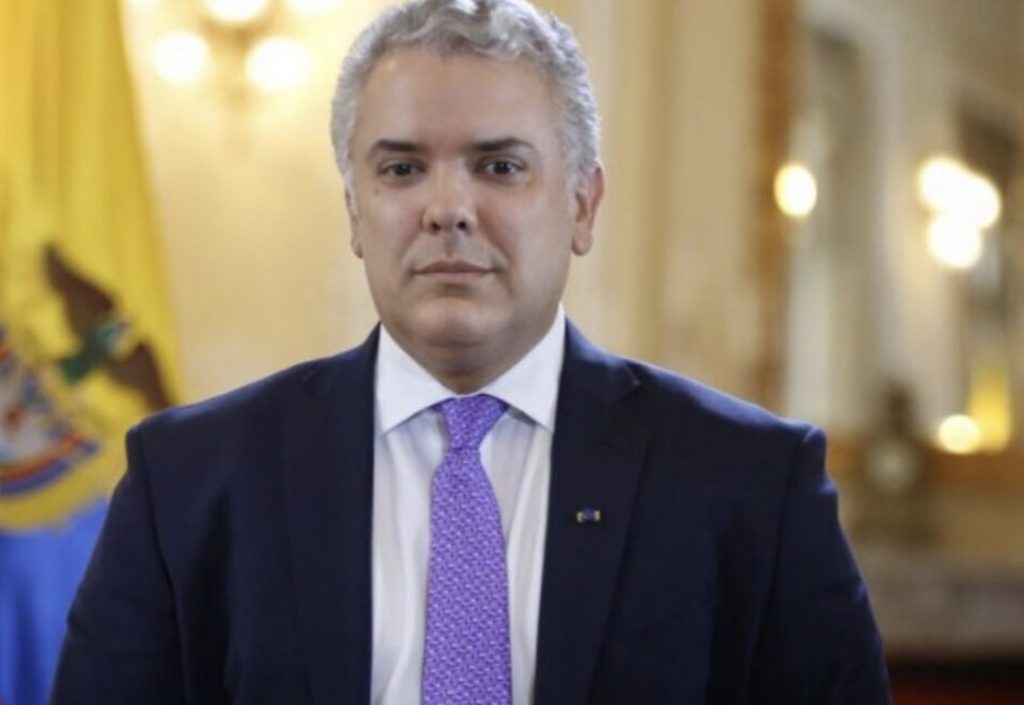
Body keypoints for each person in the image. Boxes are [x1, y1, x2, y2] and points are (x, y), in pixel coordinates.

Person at [50, 0, 890, 703]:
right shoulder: (188, 481)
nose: (447, 207)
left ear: (583, 204)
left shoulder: (751, 484)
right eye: (402, 169)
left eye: (499, 166)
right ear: (354, 210)